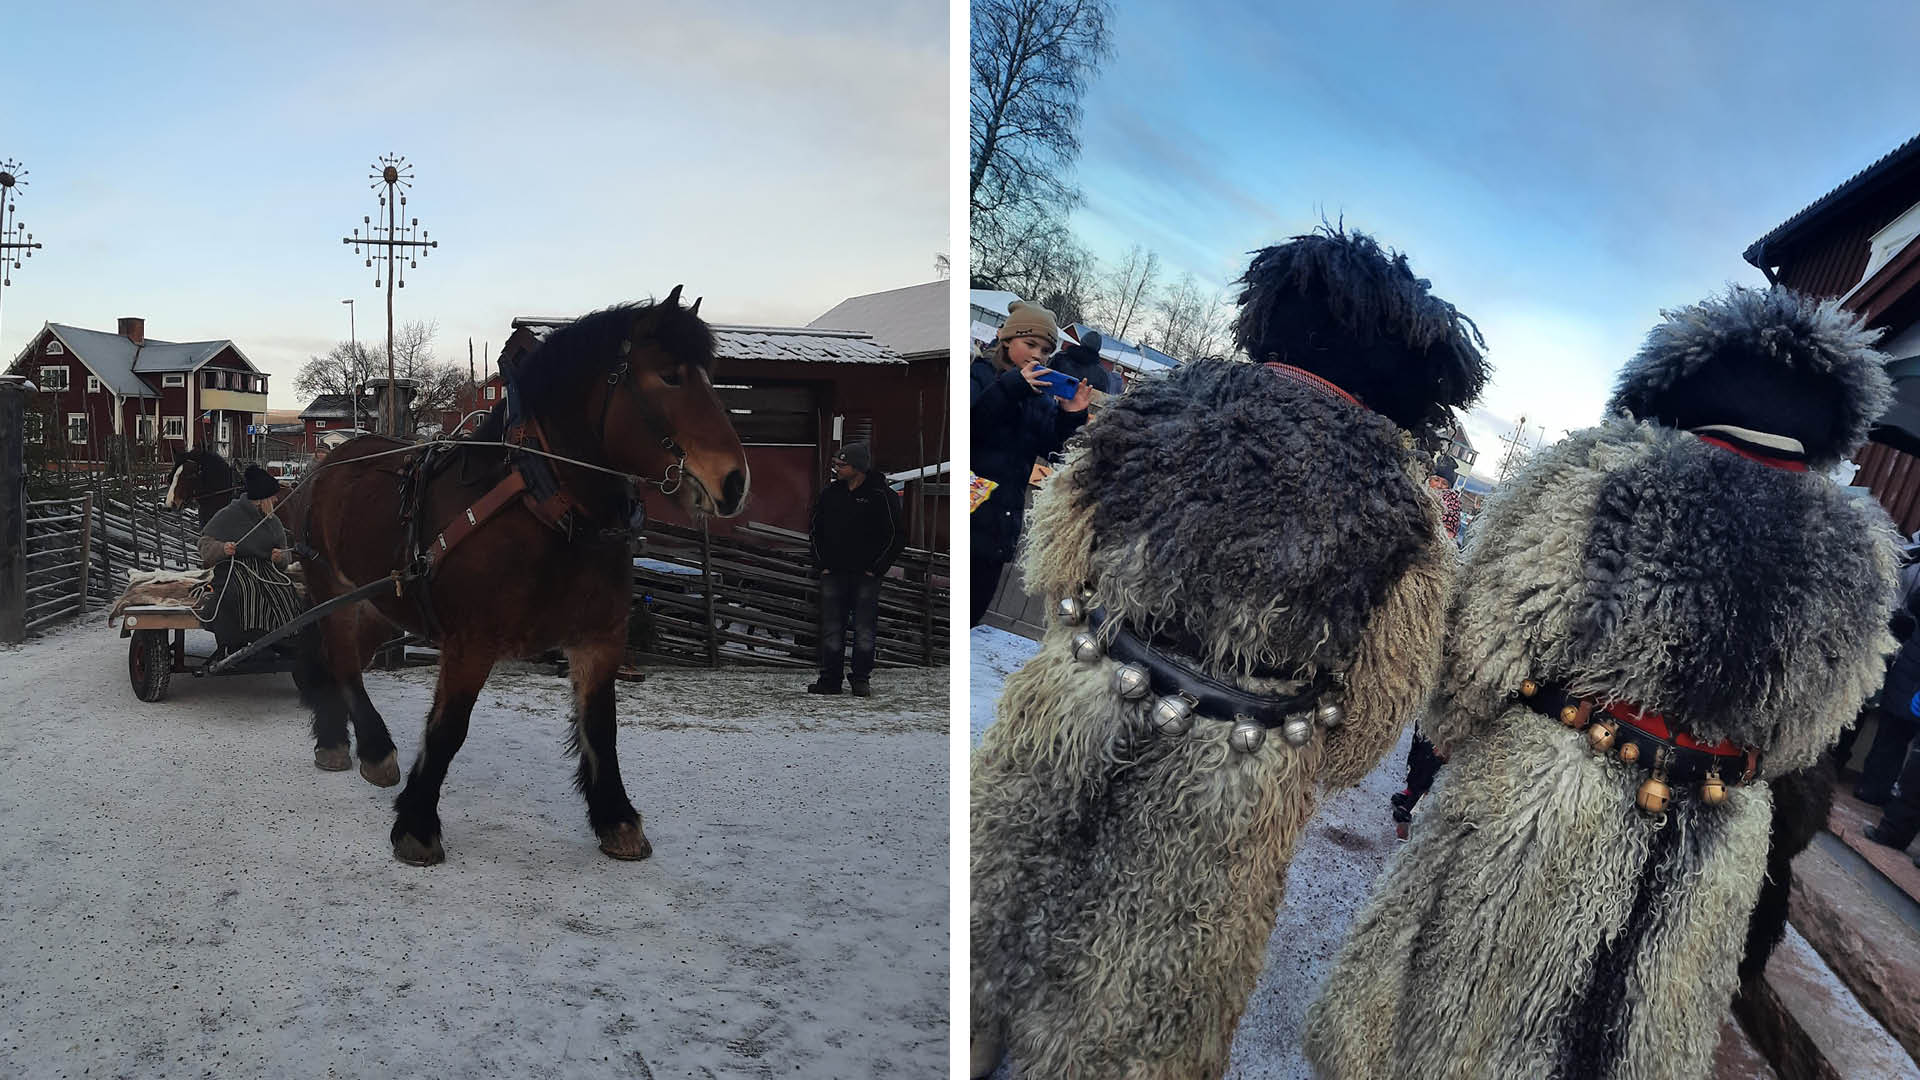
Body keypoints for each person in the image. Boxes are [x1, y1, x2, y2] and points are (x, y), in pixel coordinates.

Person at [969, 301, 1092, 627]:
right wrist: (1013, 387)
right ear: (1006, 340)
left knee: (975, 611)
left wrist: (1072, 415)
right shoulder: (979, 375)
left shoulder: (1038, 396)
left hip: (999, 525)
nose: (1038, 354)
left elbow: (1053, 450)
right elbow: (971, 424)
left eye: (1046, 349)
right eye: (1030, 344)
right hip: (966, 515)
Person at [807, 442, 905, 696]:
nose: (837, 468)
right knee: (831, 628)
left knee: (863, 629)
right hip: (834, 573)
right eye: (836, 464)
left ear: (858, 468)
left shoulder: (881, 495)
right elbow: (815, 530)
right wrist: (822, 565)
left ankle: (860, 679)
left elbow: (896, 536)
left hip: (865, 576)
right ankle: (830, 680)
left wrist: (876, 568)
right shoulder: (830, 494)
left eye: (842, 464)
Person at [196, 464, 303, 655]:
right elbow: (204, 545)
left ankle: (284, 637)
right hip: (233, 568)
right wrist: (222, 549)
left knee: (283, 590)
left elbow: (285, 558)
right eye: (272, 496)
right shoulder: (228, 515)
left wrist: (279, 557)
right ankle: (248, 639)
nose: (275, 499)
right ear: (261, 499)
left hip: (264, 570)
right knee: (246, 591)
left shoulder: (272, 520)